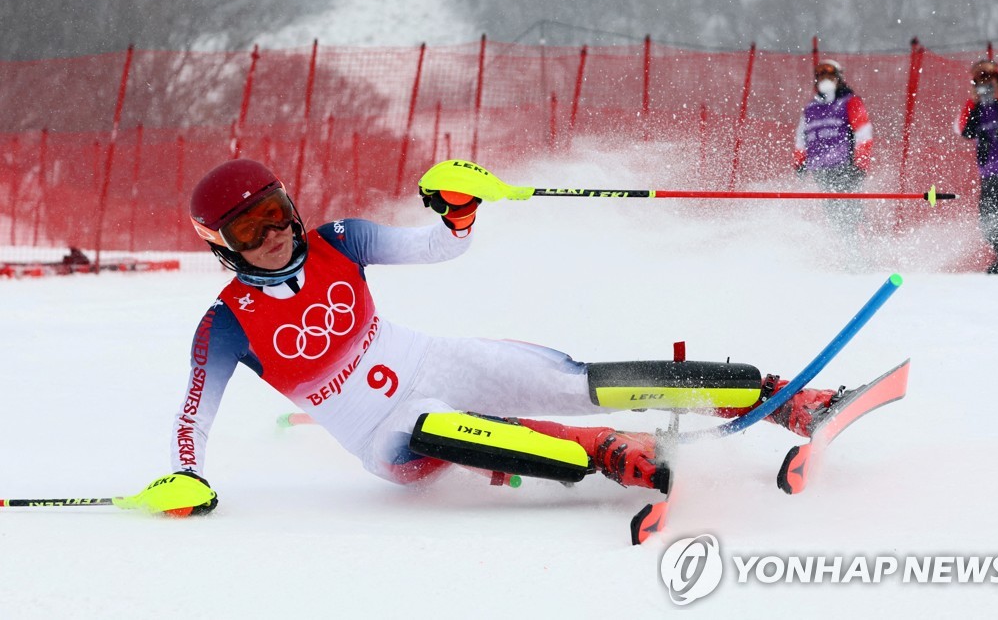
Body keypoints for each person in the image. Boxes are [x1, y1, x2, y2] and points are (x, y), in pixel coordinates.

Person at [133, 159, 842, 516]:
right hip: (385, 434)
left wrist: (458, 212)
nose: (275, 234)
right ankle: (616, 454)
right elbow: (193, 411)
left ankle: (779, 396)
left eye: (276, 212)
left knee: (573, 377)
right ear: (222, 247)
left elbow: (441, 249)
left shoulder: (340, 239)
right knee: (441, 426)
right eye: (250, 230)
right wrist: (186, 474)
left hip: (426, 357)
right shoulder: (224, 323)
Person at [955, 59, 998, 274]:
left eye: (988, 78)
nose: (985, 84)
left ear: (997, 78)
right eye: (979, 80)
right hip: (991, 176)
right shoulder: (976, 108)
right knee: (990, 224)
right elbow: (962, 129)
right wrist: (973, 101)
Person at [794, 59, 874, 234]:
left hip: (845, 166)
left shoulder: (849, 101)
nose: (825, 81)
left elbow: (864, 133)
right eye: (821, 77)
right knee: (833, 211)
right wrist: (800, 163)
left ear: (838, 78)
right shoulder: (811, 107)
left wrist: (860, 164)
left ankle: (860, 250)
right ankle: (845, 247)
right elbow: (801, 137)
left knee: (850, 210)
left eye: (830, 76)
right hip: (820, 168)